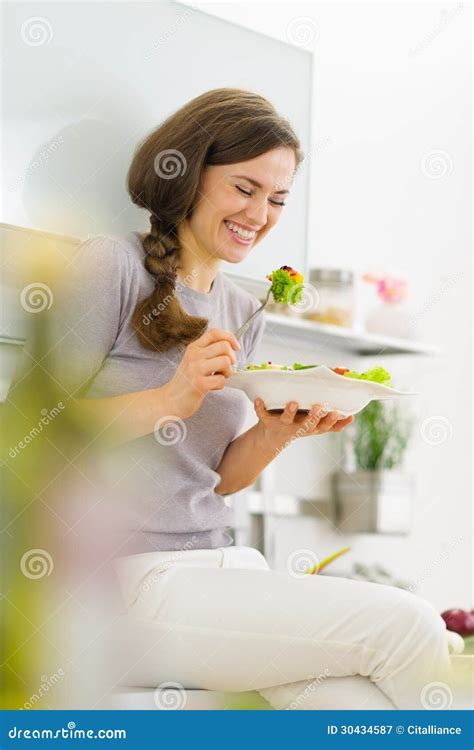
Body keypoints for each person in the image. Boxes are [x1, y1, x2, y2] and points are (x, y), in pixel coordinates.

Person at [51, 89, 452, 710]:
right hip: (122, 582)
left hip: (225, 565)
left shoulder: (245, 308)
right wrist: (170, 397)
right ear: (186, 174)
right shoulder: (113, 264)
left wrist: (276, 433)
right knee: (411, 625)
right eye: (245, 188)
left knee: (358, 704)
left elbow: (217, 481)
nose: (261, 213)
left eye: (278, 198)